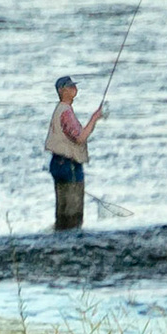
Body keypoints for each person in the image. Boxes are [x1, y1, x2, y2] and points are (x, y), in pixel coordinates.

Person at [46, 76, 104, 230]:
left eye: (74, 86)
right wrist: (94, 119)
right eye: (70, 87)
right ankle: (70, 238)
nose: (74, 89)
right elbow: (80, 138)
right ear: (61, 91)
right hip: (68, 164)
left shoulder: (60, 110)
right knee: (73, 211)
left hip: (57, 163)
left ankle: (61, 236)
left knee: (62, 209)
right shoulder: (65, 112)